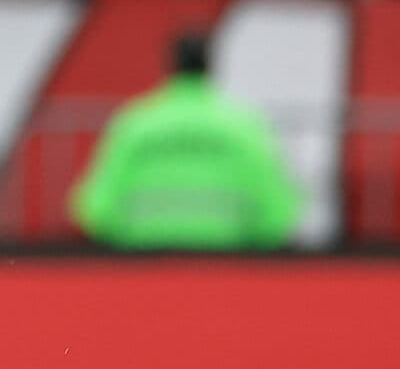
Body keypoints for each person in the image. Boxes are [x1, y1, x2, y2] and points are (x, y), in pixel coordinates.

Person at [69, 34, 300, 250]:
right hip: (228, 268)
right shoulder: (244, 126)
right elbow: (278, 213)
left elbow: (95, 210)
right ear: (210, 66)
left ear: (170, 66)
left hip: (143, 267)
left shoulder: (136, 123)